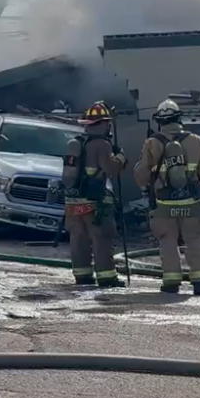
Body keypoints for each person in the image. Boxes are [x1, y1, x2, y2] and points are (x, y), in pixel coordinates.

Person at [135, 99, 200, 295]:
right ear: (179, 118)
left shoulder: (152, 143)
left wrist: (145, 190)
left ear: (159, 121)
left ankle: (171, 281)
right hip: (192, 202)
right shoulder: (196, 141)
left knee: (167, 241)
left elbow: (142, 173)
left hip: (164, 203)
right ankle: (199, 280)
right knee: (195, 240)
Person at [62, 102, 127, 287]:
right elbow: (111, 169)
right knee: (102, 238)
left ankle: (82, 275)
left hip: (73, 202)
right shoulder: (102, 144)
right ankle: (107, 277)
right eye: (107, 123)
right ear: (104, 124)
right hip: (95, 202)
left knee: (78, 238)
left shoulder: (74, 143)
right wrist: (121, 157)